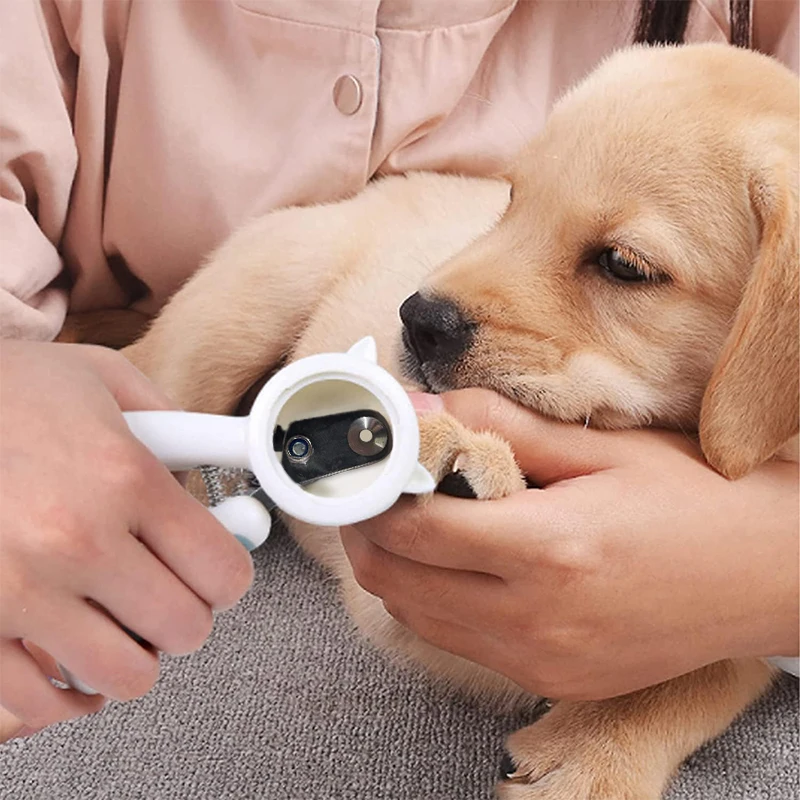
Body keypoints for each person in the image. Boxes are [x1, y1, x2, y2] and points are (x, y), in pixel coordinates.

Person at [1, 0, 797, 743]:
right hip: (300, 276)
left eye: (622, 265)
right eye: (513, 198)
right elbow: (389, 595)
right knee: (273, 272)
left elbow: (740, 639)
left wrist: (754, 579)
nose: (437, 301)